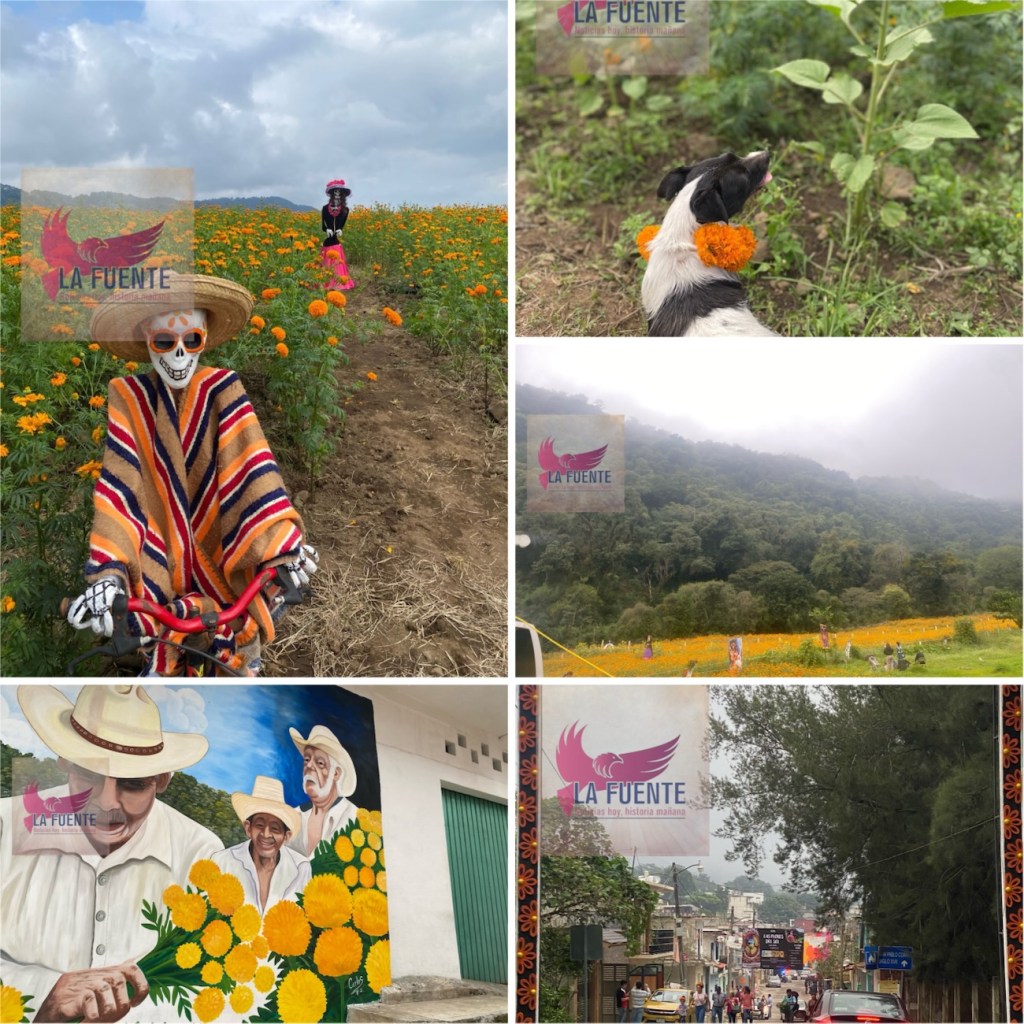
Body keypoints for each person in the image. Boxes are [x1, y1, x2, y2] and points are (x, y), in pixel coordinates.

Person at [65, 272, 317, 675]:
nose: (179, 355)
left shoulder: (223, 388)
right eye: (164, 341)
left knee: (245, 657)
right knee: (150, 643)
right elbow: (121, 486)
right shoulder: (130, 398)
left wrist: (283, 547)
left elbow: (250, 464)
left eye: (191, 340)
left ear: (204, 339)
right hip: (159, 566)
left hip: (225, 566)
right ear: (147, 341)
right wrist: (108, 575)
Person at [1, 684, 222, 1023]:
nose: (106, 803)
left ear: (161, 780)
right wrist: (43, 993)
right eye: (89, 774)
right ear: (64, 761)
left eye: (132, 783)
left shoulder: (199, 854)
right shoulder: (7, 826)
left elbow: (214, 985)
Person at [211, 775, 310, 913]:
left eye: (275, 828)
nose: (266, 834)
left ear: (286, 836)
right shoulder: (222, 862)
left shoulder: (301, 868)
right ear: (248, 828)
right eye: (259, 825)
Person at [288, 723, 359, 856]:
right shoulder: (294, 816)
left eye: (320, 763)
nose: (309, 766)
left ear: (336, 774)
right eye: (307, 759)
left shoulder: (353, 817)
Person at [321, 178, 355, 291]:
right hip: (328, 241)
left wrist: (340, 229)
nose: (337, 194)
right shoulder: (325, 209)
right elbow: (323, 226)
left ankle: (338, 282)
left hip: (336, 242)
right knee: (326, 263)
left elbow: (342, 225)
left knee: (337, 263)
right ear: (331, 193)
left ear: (343, 194)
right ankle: (326, 282)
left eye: (339, 192)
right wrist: (327, 229)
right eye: (334, 192)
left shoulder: (345, 210)